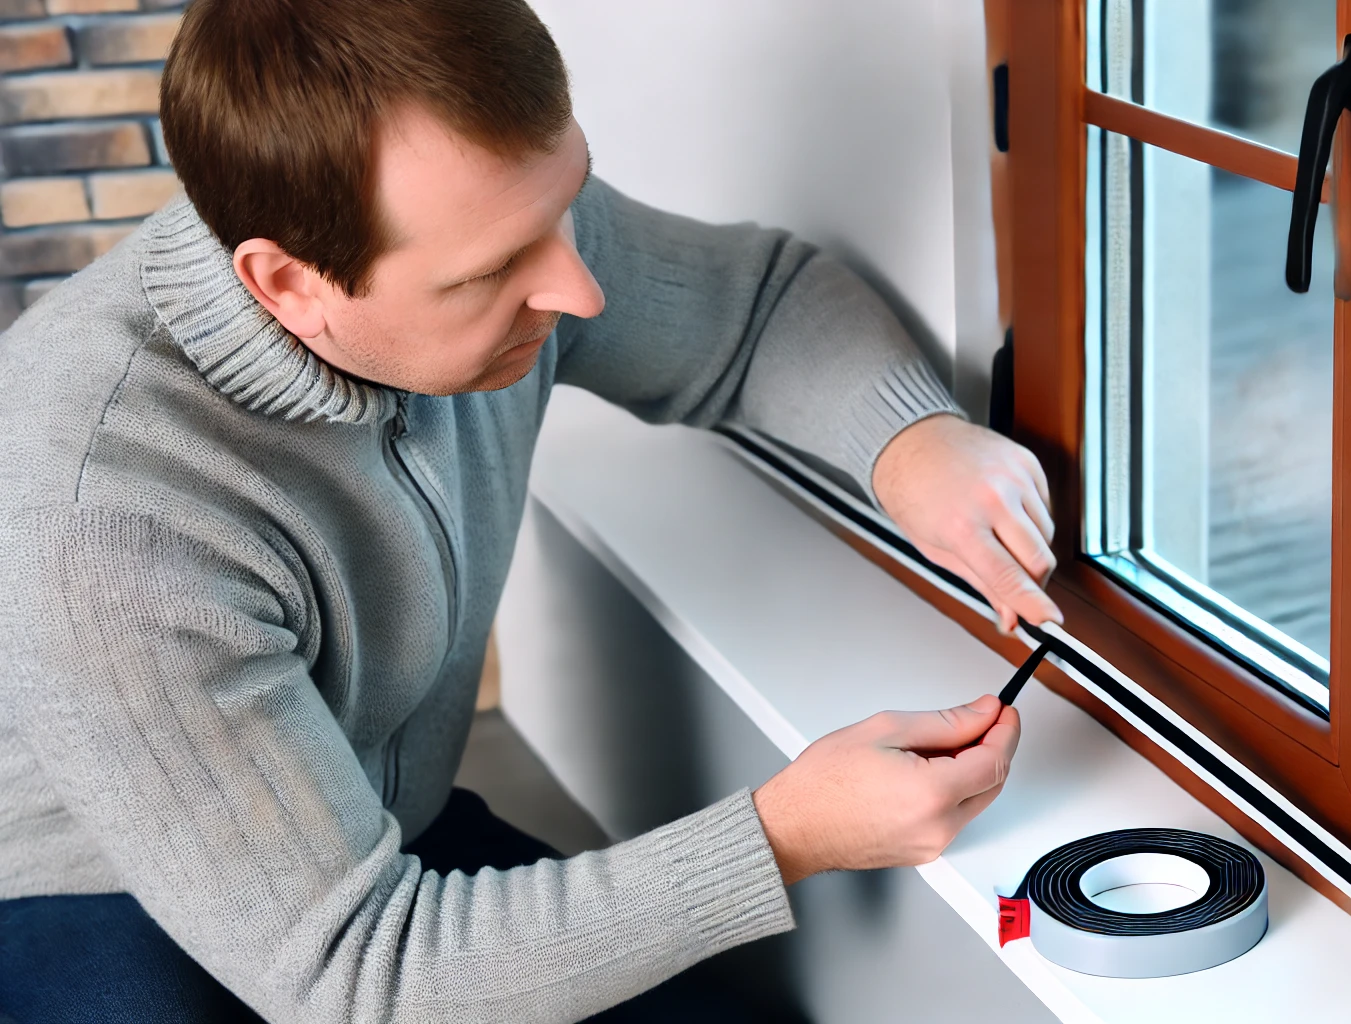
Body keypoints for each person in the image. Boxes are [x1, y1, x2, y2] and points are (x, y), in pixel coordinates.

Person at [0, 0, 1063, 1021]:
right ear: (287, 285)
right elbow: (363, 976)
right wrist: (778, 836)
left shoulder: (472, 224)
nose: (578, 291)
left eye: (565, 206)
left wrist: (911, 440)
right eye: (497, 271)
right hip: (96, 903)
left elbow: (752, 307)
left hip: (375, 847)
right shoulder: (108, 522)